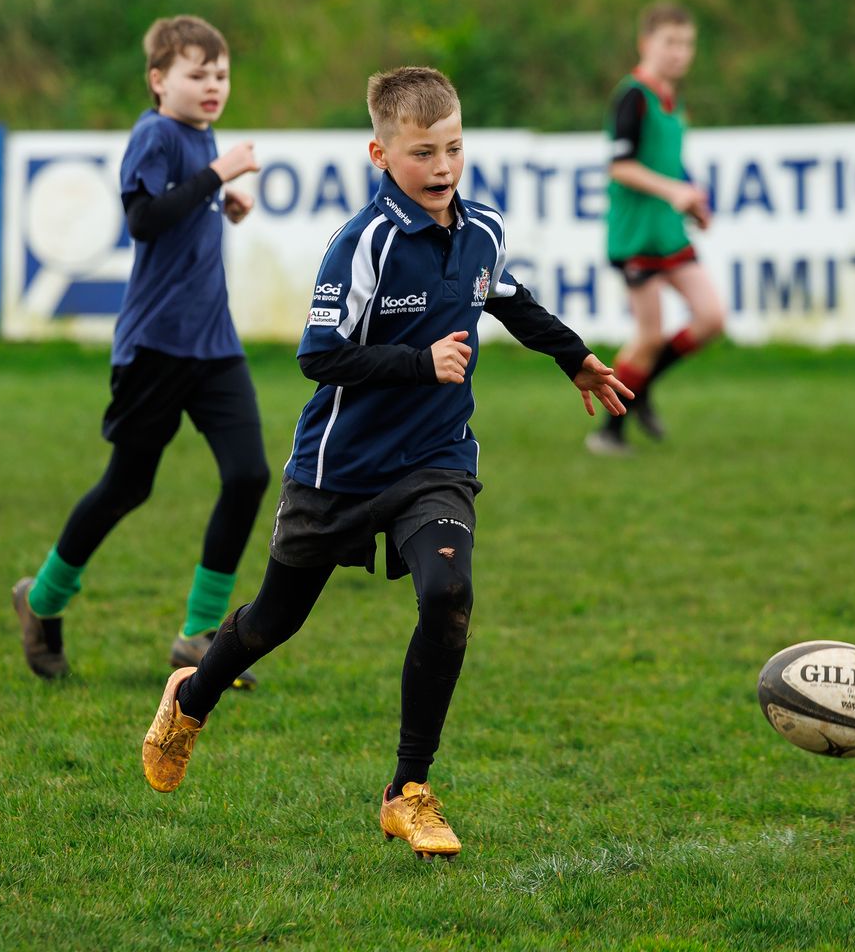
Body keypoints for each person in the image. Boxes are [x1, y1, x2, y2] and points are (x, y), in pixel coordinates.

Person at [139, 66, 633, 860]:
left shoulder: (482, 229)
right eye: (422, 153)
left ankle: (408, 791)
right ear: (381, 154)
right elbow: (317, 356)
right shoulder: (363, 242)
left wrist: (573, 358)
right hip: (340, 468)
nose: (442, 167)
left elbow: (507, 297)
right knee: (273, 621)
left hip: (436, 458)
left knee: (449, 593)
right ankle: (191, 699)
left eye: (454, 149)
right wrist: (418, 363)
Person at [10, 15, 270, 683]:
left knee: (248, 475)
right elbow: (144, 218)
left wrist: (223, 200)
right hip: (155, 347)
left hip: (214, 345)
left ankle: (198, 634)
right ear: (158, 80)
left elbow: (182, 207)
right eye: (197, 74)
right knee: (127, 485)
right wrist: (216, 176)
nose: (214, 86)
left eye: (222, 74)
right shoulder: (154, 133)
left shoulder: (200, 134)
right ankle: (42, 600)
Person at [587, 1, 725, 456]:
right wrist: (673, 191)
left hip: (669, 231)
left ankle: (641, 387)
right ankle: (609, 432)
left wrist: (692, 199)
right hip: (637, 236)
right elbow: (620, 166)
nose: (680, 52)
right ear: (646, 43)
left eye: (687, 44)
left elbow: (668, 161)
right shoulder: (633, 96)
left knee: (711, 318)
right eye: (670, 42)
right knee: (649, 335)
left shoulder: (673, 99)